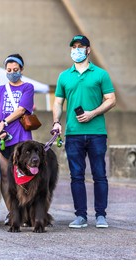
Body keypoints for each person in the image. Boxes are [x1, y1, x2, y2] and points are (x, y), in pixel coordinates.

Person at [52, 35, 116, 228]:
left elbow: (111, 99)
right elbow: (58, 102)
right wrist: (56, 122)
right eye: (74, 46)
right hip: (73, 133)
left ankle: (101, 216)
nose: (76, 49)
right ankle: (80, 216)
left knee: (99, 174)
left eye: (81, 46)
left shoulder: (101, 74)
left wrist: (92, 113)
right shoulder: (64, 76)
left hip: (97, 132)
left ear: (89, 50)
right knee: (77, 175)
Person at [0, 53, 34, 224]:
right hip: (2, 139)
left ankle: (27, 211)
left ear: (21, 69)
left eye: (16, 69)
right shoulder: (0, 90)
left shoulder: (27, 87)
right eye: (9, 70)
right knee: (5, 176)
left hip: (21, 140)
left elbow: (22, 110)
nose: (12, 72)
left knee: (23, 176)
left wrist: (4, 121)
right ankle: (12, 213)